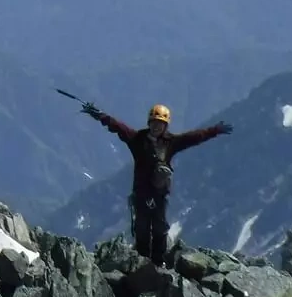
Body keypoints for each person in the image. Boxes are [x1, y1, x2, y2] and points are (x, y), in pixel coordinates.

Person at [79, 101, 232, 266]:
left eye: (160, 124)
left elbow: (194, 137)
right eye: (154, 123)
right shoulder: (137, 139)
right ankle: (142, 261)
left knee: (160, 228)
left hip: (159, 194)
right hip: (142, 193)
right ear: (149, 123)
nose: (157, 127)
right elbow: (118, 127)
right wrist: (100, 115)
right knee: (142, 228)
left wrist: (214, 131)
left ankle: (158, 263)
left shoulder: (171, 142)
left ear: (165, 126)